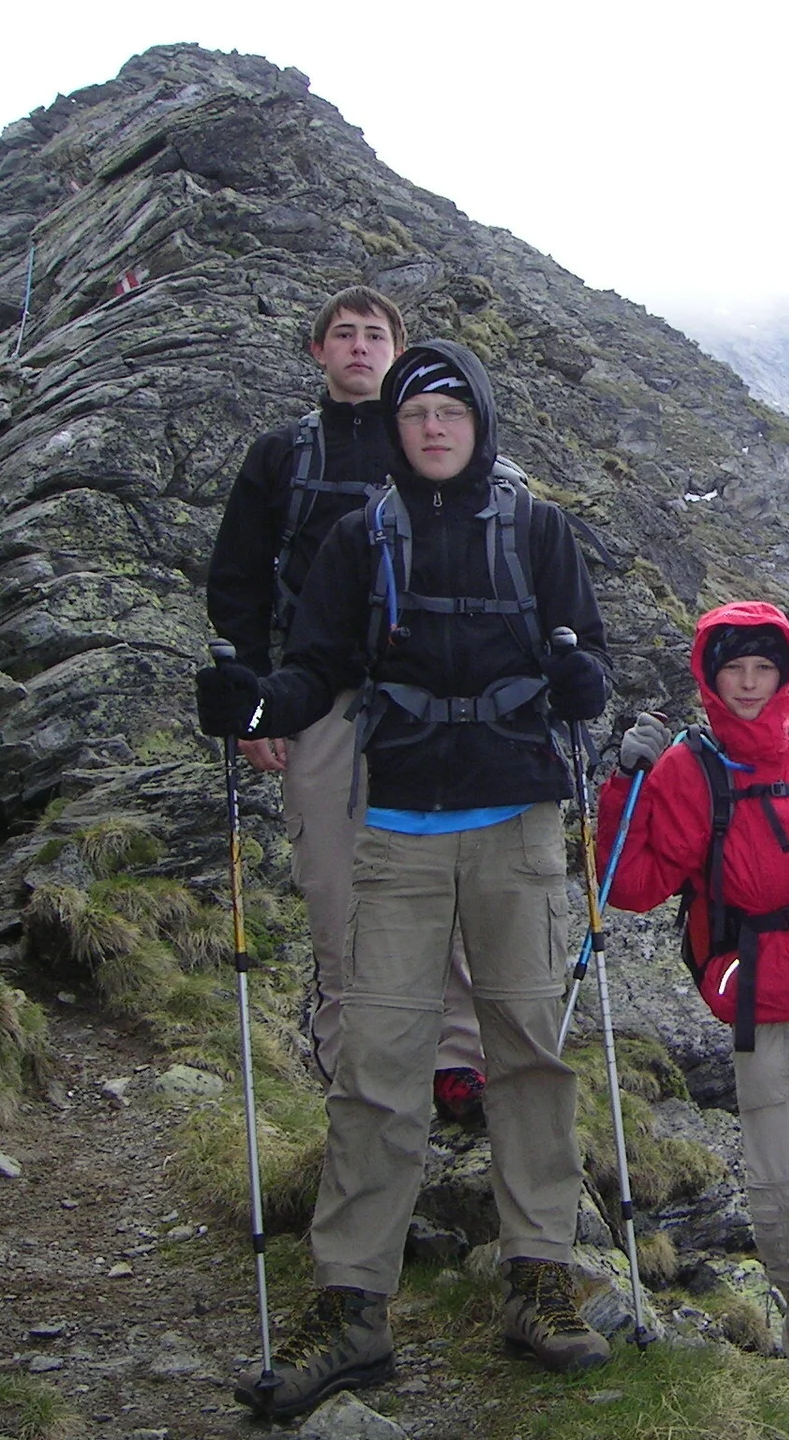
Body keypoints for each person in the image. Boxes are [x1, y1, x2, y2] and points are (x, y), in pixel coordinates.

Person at [198, 338, 614, 1420]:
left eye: (451, 412)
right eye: (416, 413)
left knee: (527, 1052)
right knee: (378, 1065)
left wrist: (584, 678)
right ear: (395, 429)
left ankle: (540, 1275)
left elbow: (594, 666)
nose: (434, 428)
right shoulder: (354, 537)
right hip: (392, 827)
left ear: (480, 424)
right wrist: (258, 704)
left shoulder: (538, 530)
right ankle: (351, 1307)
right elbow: (318, 669)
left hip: (515, 825)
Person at [594, 601, 789, 1392]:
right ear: (708, 676)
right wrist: (624, 784)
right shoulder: (685, 770)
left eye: (760, 668)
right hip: (759, 1001)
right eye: (731, 669)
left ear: (783, 673)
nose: (746, 683)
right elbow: (627, 887)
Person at [205, 286, 489, 1123]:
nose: (360, 347)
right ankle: (350, 1063)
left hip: (428, 705)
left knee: (442, 882)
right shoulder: (280, 456)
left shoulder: (435, 454)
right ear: (318, 352)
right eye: (344, 334)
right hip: (317, 698)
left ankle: (455, 1062)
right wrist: (262, 706)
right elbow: (238, 580)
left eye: (376, 335)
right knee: (334, 881)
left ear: (397, 353)